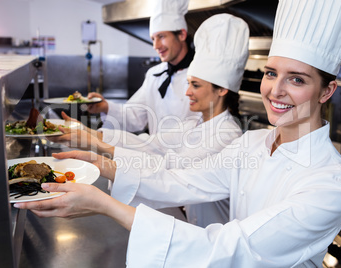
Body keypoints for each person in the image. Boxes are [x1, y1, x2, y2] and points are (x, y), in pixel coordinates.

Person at [15, 0, 341, 266]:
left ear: (327, 91)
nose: (275, 90)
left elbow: (233, 248)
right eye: (270, 73)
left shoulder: (329, 184)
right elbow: (182, 179)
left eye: (296, 79)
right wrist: (101, 161)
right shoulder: (253, 143)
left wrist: (107, 206)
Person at [51, 14, 249, 227]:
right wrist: (92, 136)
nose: (187, 92)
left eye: (196, 86)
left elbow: (170, 169)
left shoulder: (226, 135)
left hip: (215, 242)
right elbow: (150, 144)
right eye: (189, 83)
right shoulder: (195, 124)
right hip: (189, 223)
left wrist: (98, 154)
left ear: (221, 89)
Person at [86, 0, 199, 137]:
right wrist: (104, 106)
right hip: (157, 156)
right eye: (153, 39)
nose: (156, 46)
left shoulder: (201, 75)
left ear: (181, 34)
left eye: (161, 37)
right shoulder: (154, 74)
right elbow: (134, 115)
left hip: (192, 156)